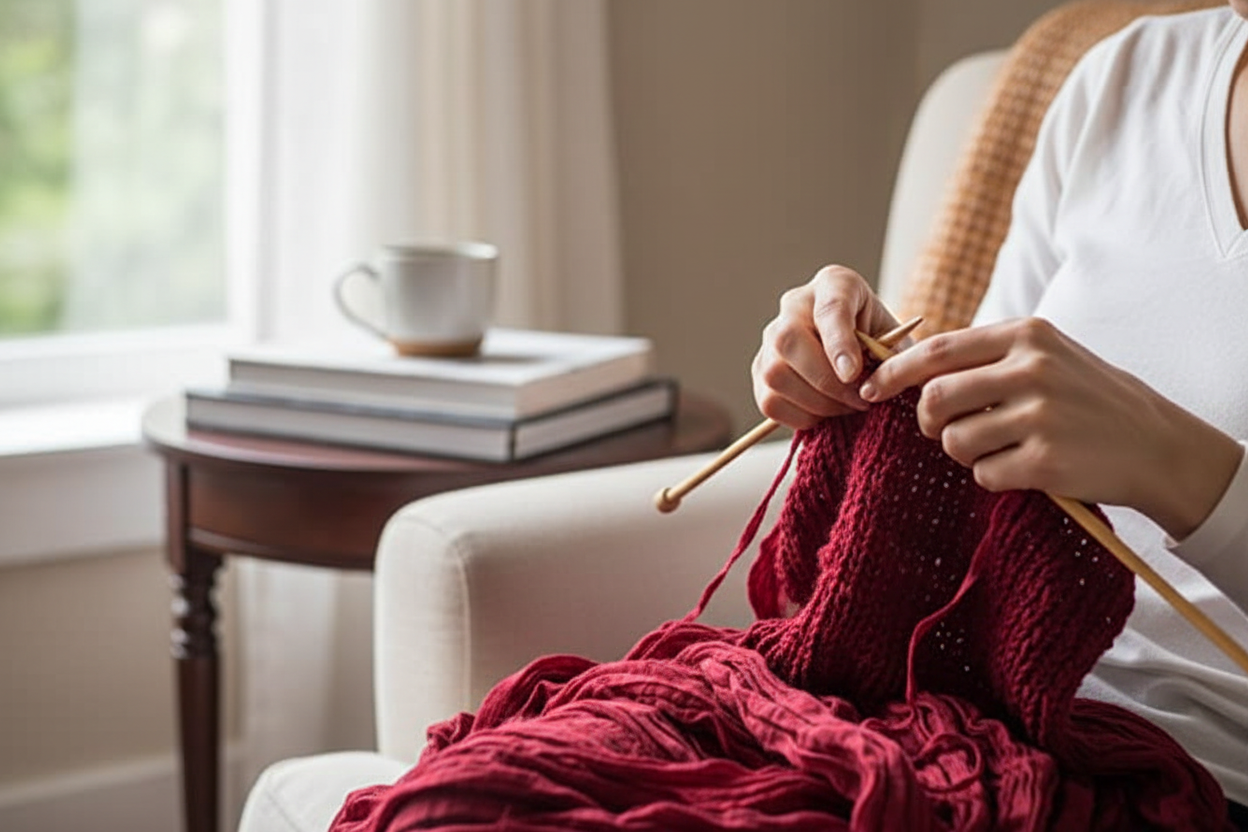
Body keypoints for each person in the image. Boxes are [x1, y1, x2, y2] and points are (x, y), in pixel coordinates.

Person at [751, 0, 1248, 820]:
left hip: (1189, 783)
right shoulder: (1125, 79)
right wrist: (873, 380)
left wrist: (1173, 464)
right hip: (960, 719)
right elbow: (980, 439)